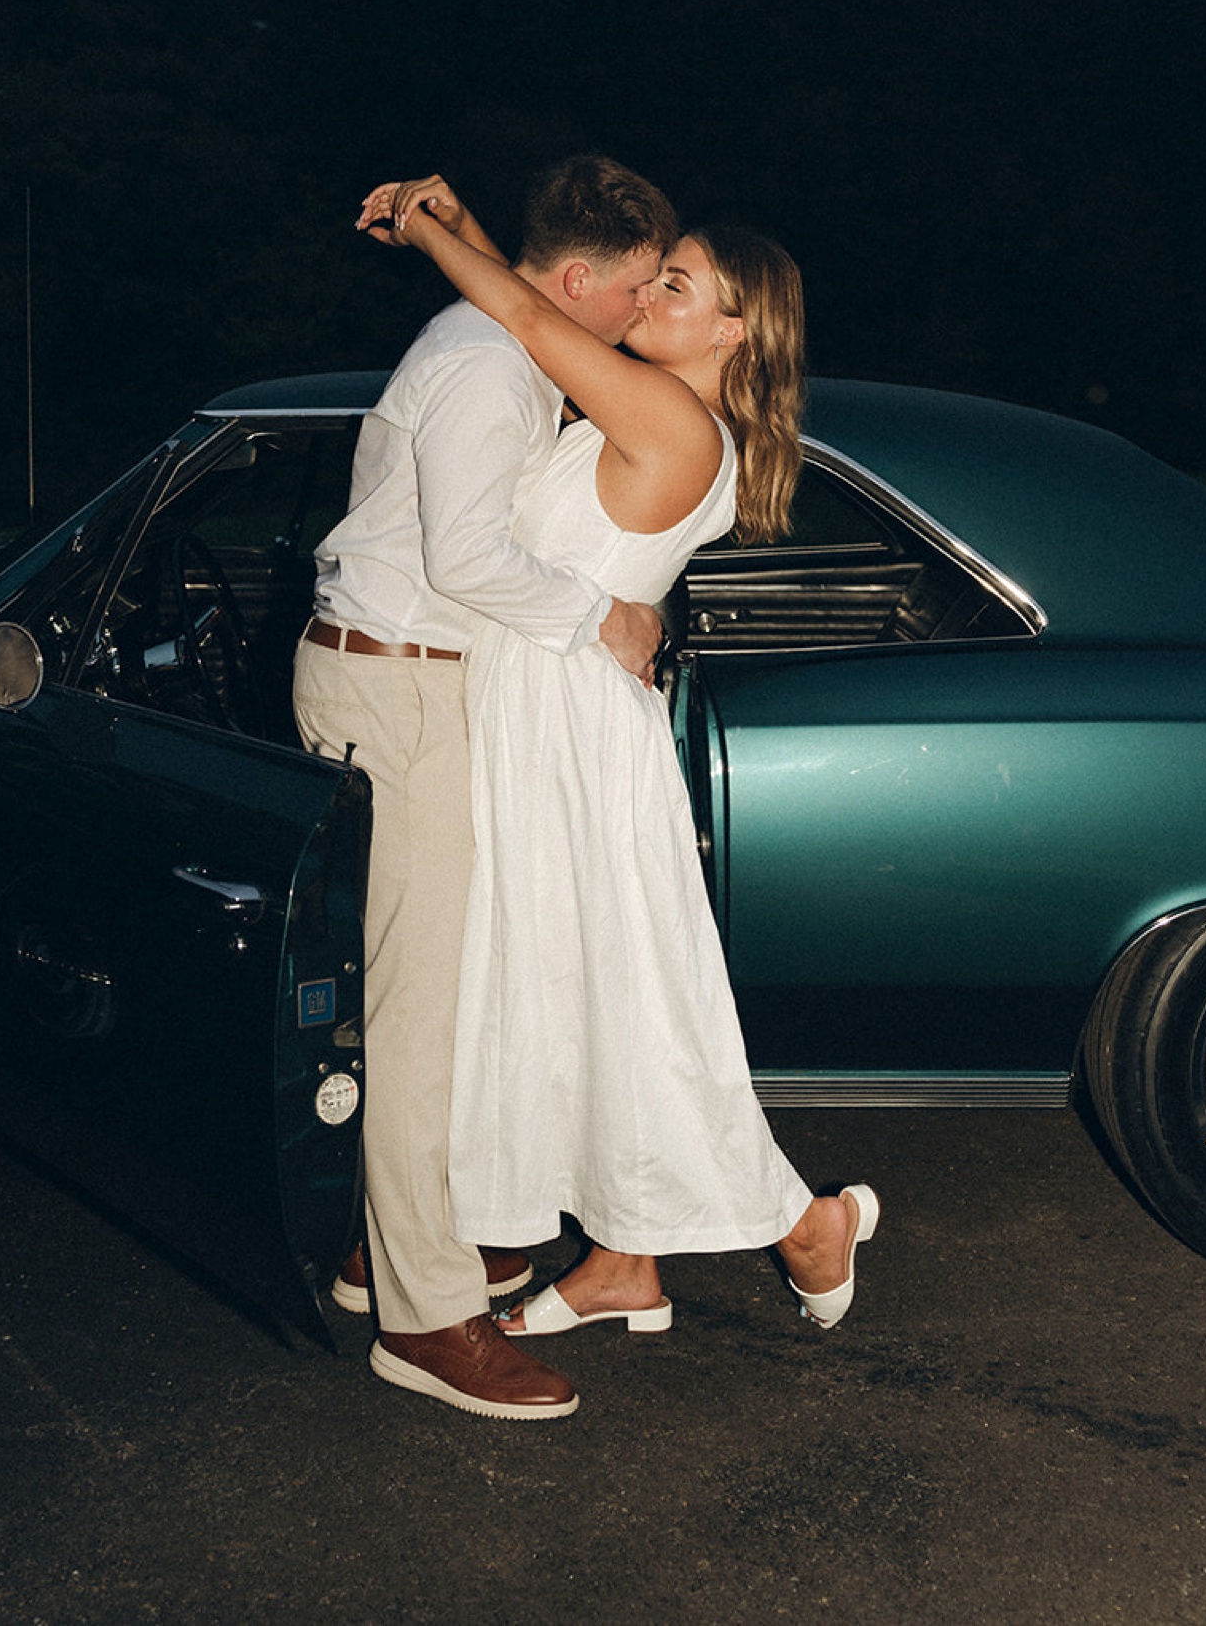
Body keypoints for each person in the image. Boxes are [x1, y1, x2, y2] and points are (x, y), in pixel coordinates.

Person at [365, 175, 878, 1351]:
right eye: (652, 273)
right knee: (581, 990)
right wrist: (482, 238)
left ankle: (802, 1221)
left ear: (733, 329)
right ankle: (622, 1260)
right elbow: (549, 308)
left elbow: (541, 321)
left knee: (630, 999)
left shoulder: (671, 421)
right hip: (550, 711)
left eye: (676, 283)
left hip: (568, 732)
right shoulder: (649, 405)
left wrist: (432, 230)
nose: (649, 290)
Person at [292, 154, 679, 1421]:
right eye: (627, 297)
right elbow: (464, 557)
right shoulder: (482, 367)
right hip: (397, 689)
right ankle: (424, 1317)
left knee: (450, 994)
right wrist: (601, 617)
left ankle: (392, 1248)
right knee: (416, 1014)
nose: (632, 320)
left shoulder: (505, 344)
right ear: (574, 280)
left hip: (424, 687)